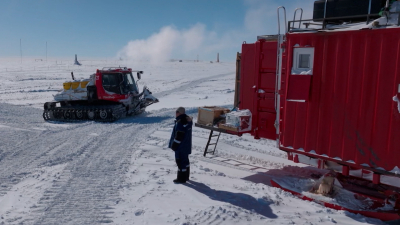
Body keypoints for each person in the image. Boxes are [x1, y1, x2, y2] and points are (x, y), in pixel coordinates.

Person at [169, 107, 192, 183]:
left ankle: (181, 179)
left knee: (180, 162)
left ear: (179, 113)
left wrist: (174, 146)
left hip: (180, 147)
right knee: (185, 162)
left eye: (176, 112)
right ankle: (186, 177)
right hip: (186, 146)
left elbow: (179, 136)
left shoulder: (180, 122)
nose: (175, 113)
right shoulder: (187, 120)